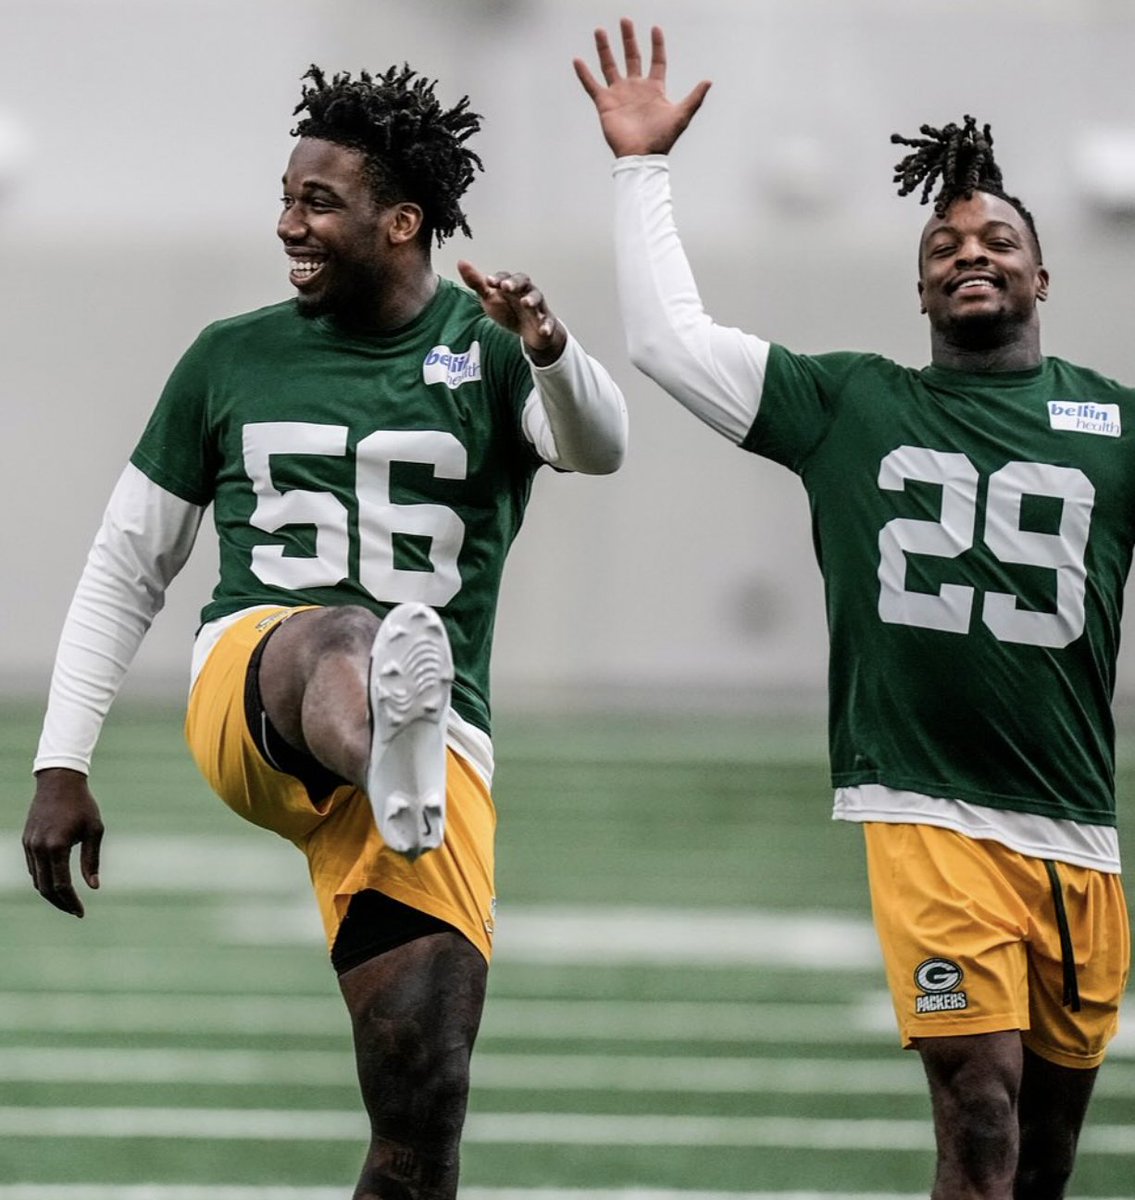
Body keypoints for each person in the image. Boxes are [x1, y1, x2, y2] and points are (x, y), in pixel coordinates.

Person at [23, 62, 627, 1200]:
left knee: (422, 1113)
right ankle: (384, 740)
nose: (287, 223)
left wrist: (544, 340)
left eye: (317, 202)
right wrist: (62, 760)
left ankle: (397, 755)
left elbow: (598, 448)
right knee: (342, 636)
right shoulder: (229, 354)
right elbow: (126, 568)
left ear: (401, 221)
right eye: (288, 196)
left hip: (430, 769)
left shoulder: (490, 348)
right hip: (260, 693)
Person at [575, 20, 1129, 1200]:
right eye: (943, 240)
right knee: (978, 1116)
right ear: (918, 282)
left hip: (1076, 831)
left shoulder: (1115, 423)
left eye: (994, 238)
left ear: (1042, 275)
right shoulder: (852, 405)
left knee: (1043, 1165)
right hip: (925, 815)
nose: (967, 251)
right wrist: (641, 169)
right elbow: (670, 343)